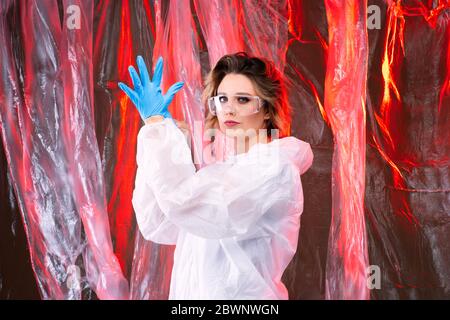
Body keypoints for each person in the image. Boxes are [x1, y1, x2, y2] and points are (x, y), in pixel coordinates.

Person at [119, 52, 313, 299]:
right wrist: (164, 139)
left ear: (267, 109)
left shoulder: (275, 166)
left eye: (242, 100)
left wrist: (160, 131)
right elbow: (157, 222)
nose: (229, 109)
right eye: (222, 99)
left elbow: (191, 207)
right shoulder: (221, 174)